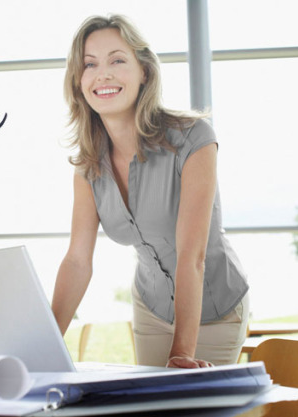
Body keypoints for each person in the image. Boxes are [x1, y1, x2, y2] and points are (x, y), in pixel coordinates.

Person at [51, 14, 249, 368]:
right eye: (90, 64)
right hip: (151, 307)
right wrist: (45, 342)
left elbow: (193, 256)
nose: (104, 74)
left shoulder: (193, 139)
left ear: (144, 71)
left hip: (214, 309)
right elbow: (78, 261)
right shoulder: (89, 164)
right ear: (79, 81)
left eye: (117, 60)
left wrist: (182, 353)